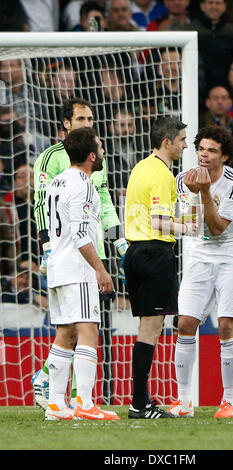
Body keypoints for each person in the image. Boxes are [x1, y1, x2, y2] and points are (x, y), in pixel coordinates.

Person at [32, 97, 126, 410]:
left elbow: (106, 204)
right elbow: (41, 207)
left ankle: (61, 398)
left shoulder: (97, 161)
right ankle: (77, 398)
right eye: (81, 119)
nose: (87, 124)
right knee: (84, 329)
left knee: (72, 329)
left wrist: (118, 242)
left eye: (90, 118)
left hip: (90, 252)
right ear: (66, 124)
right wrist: (46, 248)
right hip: (74, 254)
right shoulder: (51, 160)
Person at [168, 125, 233, 419]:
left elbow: (217, 229)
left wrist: (203, 193)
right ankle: (184, 402)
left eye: (212, 150)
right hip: (199, 254)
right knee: (185, 323)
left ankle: (228, 401)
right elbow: (193, 226)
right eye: (201, 148)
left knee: (226, 326)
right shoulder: (182, 180)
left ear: (224, 156)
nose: (204, 155)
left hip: (232, 254)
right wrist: (194, 196)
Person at [124, 116, 197, 419]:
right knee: (150, 329)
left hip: (137, 251)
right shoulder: (163, 175)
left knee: (147, 327)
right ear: (166, 142)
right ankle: (140, 404)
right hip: (154, 252)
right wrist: (189, 228)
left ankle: (140, 401)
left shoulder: (141, 167)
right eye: (181, 140)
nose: (184, 145)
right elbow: (158, 222)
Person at [44, 126, 119, 421]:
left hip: (56, 265)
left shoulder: (57, 181)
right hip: (78, 268)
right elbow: (80, 234)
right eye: (99, 148)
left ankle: (55, 406)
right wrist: (100, 270)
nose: (102, 152)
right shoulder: (84, 184)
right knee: (88, 331)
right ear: (91, 156)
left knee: (65, 334)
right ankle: (86, 403)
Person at [184, 0, 233, 102]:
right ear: (202, 6)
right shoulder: (190, 30)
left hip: (225, 86)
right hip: (197, 87)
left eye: (218, 3)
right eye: (210, 2)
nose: (214, 6)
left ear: (224, 7)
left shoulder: (231, 31)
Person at [199, 86, 233, 172]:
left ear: (230, 102)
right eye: (215, 98)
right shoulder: (199, 123)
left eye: (224, 98)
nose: (220, 101)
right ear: (208, 103)